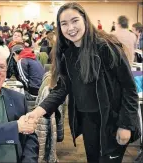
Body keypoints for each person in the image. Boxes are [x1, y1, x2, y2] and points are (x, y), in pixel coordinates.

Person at [25, 2, 141, 163]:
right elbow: (61, 89)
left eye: (75, 20)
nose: (70, 27)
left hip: (112, 119)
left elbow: (129, 88)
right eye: (64, 24)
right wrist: (36, 112)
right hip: (88, 120)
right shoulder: (68, 54)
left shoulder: (107, 48)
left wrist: (126, 125)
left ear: (85, 20)